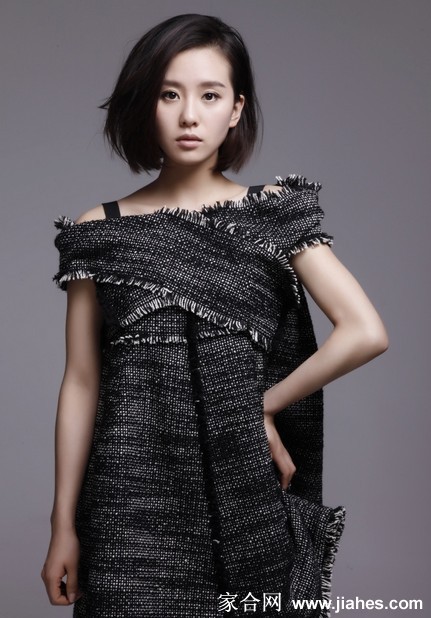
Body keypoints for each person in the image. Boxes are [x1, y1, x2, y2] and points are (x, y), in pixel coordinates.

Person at [40, 13, 388, 618]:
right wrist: (62, 524)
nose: (188, 116)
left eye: (209, 95)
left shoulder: (271, 215)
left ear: (235, 110)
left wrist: (262, 407)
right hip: (127, 510)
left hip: (244, 499)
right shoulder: (100, 231)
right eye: (168, 95)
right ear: (145, 105)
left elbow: (365, 332)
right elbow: (81, 381)